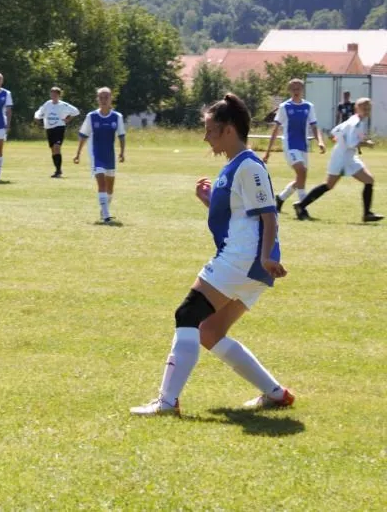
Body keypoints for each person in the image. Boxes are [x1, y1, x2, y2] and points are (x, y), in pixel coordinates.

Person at [131, 93, 293, 417]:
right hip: (251, 264)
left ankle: (167, 402)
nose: (206, 138)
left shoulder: (248, 165)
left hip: (243, 259)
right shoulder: (235, 165)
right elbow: (241, 215)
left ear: (229, 129)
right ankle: (276, 394)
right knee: (210, 332)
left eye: (210, 130)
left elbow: (269, 214)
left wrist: (265, 257)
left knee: (187, 313)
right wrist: (209, 200)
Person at [294, 97, 383, 223]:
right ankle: (301, 205)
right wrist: (366, 144)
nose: (366, 110)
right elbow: (351, 143)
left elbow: (334, 132)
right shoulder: (356, 123)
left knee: (368, 180)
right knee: (330, 185)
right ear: (357, 108)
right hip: (342, 158)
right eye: (364, 108)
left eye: (368, 108)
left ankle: (367, 214)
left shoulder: (354, 120)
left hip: (347, 157)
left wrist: (342, 141)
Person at [263, 79, 325, 212]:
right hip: (290, 145)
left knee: (301, 177)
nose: (296, 91)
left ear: (302, 90)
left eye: (298, 89)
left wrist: (320, 141)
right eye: (293, 89)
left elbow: (314, 126)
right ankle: (302, 206)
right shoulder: (284, 107)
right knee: (301, 171)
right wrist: (268, 152)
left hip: (303, 145)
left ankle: (281, 198)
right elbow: (275, 130)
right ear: (289, 91)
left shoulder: (308, 106)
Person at [73, 87, 125, 223]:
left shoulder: (117, 117)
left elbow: (121, 136)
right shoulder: (91, 116)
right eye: (101, 97)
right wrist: (78, 153)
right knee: (101, 183)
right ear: (97, 99)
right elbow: (83, 135)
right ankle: (106, 215)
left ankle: (104, 209)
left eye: (106, 97)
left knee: (110, 188)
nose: (103, 100)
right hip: (96, 155)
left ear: (111, 99)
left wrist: (122, 152)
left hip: (110, 155)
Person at [33, 86, 79, 178]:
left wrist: (68, 119)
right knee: (53, 150)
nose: (53, 96)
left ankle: (58, 171)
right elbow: (39, 112)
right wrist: (37, 117)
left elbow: (76, 111)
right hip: (49, 129)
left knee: (57, 147)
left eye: (55, 94)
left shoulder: (63, 105)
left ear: (59, 95)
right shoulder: (47, 104)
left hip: (59, 128)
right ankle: (57, 170)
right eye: (52, 94)